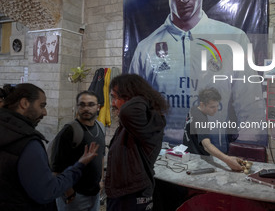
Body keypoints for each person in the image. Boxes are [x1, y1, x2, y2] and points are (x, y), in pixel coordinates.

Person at [129, 0, 266, 148]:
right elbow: (134, 109)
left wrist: (241, 156)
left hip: (214, 157)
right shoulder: (145, 48)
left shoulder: (233, 38)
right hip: (161, 159)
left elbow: (251, 109)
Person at [0, 83, 99, 211]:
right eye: (42, 106)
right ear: (24, 103)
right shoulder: (28, 143)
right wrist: (79, 166)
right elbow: (47, 191)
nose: (45, 113)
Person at [105, 74, 169, 211]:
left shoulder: (148, 124)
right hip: (122, 193)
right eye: (112, 98)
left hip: (133, 195)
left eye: (116, 97)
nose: (113, 103)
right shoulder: (131, 127)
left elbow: (127, 111)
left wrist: (140, 95)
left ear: (130, 97)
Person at [50, 91, 106, 211]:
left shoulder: (100, 127)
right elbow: (56, 168)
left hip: (94, 194)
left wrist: (100, 180)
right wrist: (69, 192)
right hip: (75, 195)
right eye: (82, 105)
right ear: (77, 107)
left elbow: (100, 156)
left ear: (98, 107)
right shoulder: (69, 131)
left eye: (91, 104)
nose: (86, 108)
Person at [183, 87, 243, 171]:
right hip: (196, 161)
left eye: (217, 106)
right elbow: (207, 146)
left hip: (189, 155)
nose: (216, 110)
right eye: (212, 107)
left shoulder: (194, 109)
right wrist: (227, 160)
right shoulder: (201, 119)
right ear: (202, 104)